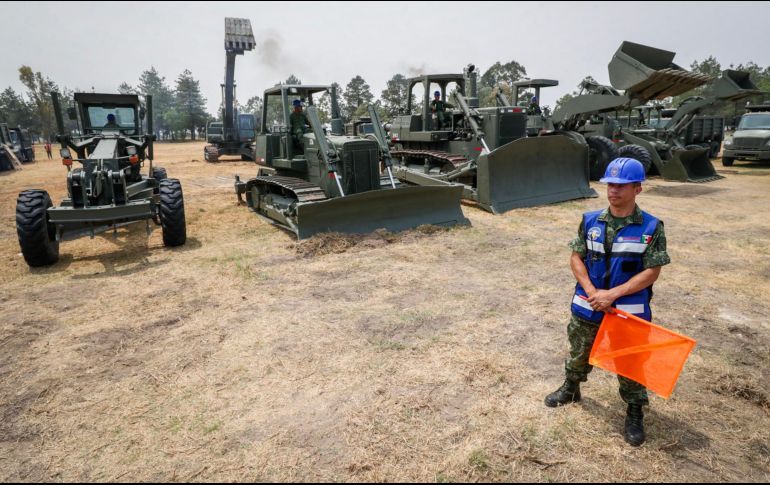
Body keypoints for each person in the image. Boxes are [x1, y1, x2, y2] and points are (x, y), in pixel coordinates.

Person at [544, 157, 670, 447]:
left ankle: (634, 411)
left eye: (622, 185)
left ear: (638, 188)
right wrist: (592, 291)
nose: (614, 190)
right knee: (579, 351)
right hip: (588, 304)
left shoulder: (651, 226)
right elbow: (576, 257)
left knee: (630, 361)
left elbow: (652, 271)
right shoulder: (590, 220)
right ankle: (571, 389)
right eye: (610, 184)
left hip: (627, 311)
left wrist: (611, 295)